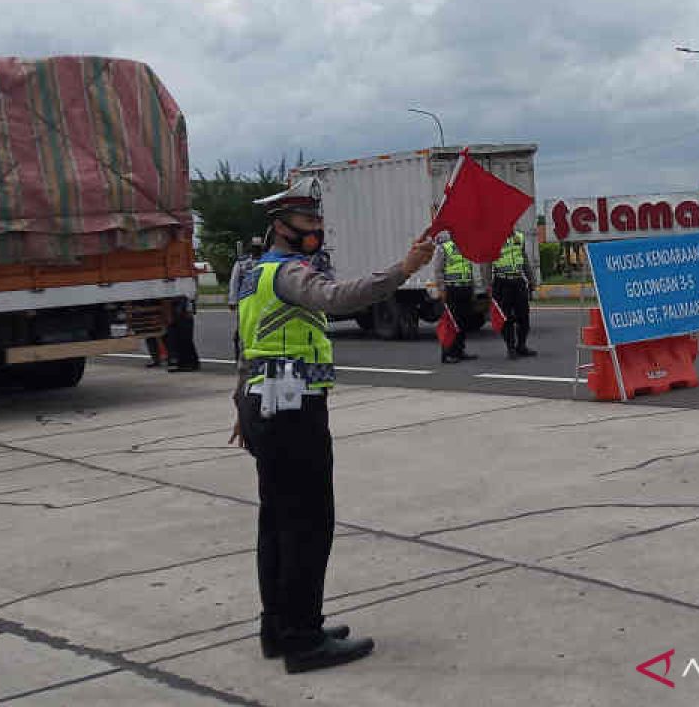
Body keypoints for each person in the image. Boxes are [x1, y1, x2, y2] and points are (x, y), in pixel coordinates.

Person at [229, 177, 434, 674]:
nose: (316, 230)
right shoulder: (287, 273)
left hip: (266, 406)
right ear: (281, 227)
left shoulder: (254, 274)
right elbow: (339, 297)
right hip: (293, 411)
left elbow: (246, 345)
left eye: (319, 222)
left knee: (276, 523)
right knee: (307, 523)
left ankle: (279, 628)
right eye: (307, 222)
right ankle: (303, 640)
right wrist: (404, 269)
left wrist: (242, 409)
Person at [482, 228, 537, 359]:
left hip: (518, 281)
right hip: (502, 282)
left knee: (524, 316)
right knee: (506, 318)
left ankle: (521, 346)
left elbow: (524, 260)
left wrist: (531, 280)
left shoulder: (519, 237)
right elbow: (487, 264)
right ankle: (510, 348)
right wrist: (488, 285)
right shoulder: (493, 239)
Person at [431, 232, 478, 363]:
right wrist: (442, 289)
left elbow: (469, 269)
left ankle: (459, 350)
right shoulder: (444, 247)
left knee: (463, 322)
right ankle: (447, 353)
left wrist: (472, 288)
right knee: (451, 323)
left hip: (465, 288)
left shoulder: (466, 247)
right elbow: (438, 270)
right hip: (451, 289)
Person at [229, 237, 265, 360]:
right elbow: (234, 282)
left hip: (262, 301)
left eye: (259, 248)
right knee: (243, 329)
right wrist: (232, 300)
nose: (257, 250)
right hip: (245, 302)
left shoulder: (267, 261)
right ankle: (240, 356)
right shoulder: (241, 262)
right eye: (255, 248)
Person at [165, 296, 200, 373]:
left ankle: (189, 362)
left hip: (183, 304)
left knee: (185, 336)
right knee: (173, 336)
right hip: (174, 303)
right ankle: (178, 361)